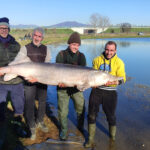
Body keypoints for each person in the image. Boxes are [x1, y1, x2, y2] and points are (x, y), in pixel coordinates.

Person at [10, 27, 51, 140]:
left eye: (39, 36)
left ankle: (40, 121)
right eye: (35, 35)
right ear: (32, 35)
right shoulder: (25, 48)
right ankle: (31, 125)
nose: (37, 38)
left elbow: (48, 67)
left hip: (42, 80)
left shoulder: (46, 49)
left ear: (42, 38)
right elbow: (17, 62)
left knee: (42, 102)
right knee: (29, 103)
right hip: (28, 80)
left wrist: (38, 78)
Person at [85, 41, 126, 148]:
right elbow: (91, 76)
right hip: (97, 91)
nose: (109, 52)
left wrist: (113, 82)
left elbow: (122, 79)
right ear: (104, 49)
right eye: (107, 50)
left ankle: (112, 138)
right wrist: (92, 84)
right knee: (91, 115)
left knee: (111, 117)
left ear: (115, 51)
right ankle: (90, 139)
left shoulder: (119, 63)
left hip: (111, 93)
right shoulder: (97, 60)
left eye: (111, 50)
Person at [56, 32, 86, 141]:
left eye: (77, 45)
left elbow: (84, 75)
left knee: (81, 108)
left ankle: (80, 127)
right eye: (73, 44)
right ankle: (63, 131)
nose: (75, 47)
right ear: (69, 44)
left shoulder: (81, 56)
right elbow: (56, 72)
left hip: (76, 88)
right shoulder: (61, 54)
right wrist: (60, 82)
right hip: (62, 88)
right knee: (63, 111)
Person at [0, 17, 25, 141]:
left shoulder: (16, 44)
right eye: (1, 28)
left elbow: (22, 60)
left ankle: (17, 127)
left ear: (9, 29)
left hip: (17, 81)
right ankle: (2, 130)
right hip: (1, 81)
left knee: (19, 106)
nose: (4, 30)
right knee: (1, 106)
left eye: (6, 28)